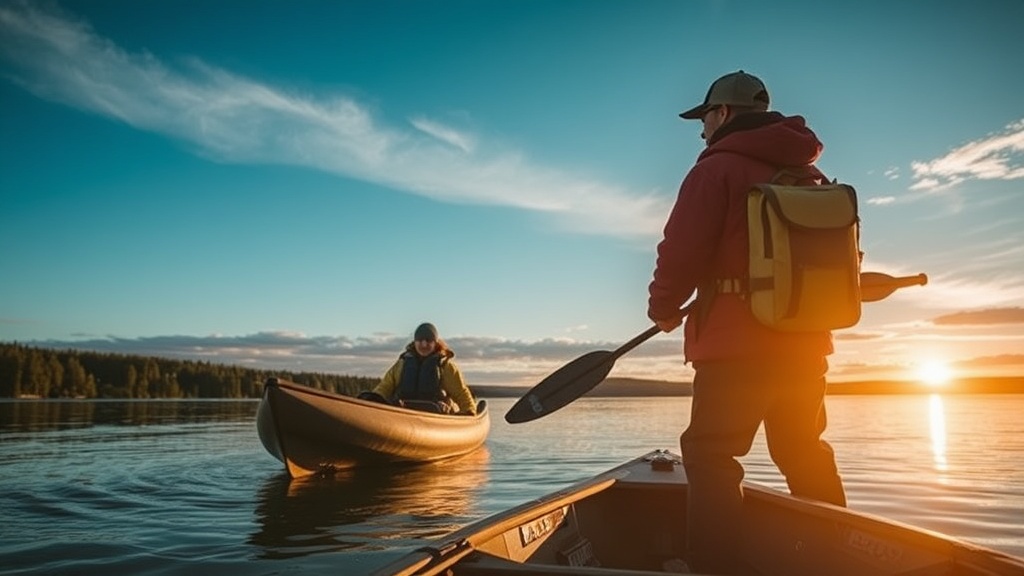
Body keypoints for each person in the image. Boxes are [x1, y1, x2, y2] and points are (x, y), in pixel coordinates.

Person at [647, 70, 847, 574]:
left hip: (736, 349)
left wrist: (663, 307)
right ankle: (838, 558)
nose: (702, 130)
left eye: (706, 117)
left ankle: (712, 566)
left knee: (710, 455)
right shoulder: (811, 175)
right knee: (803, 450)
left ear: (725, 114)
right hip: (805, 345)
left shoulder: (715, 171)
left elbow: (681, 251)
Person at [366, 322, 478, 415]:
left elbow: (461, 393)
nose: (424, 345)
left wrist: (470, 411)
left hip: (436, 417)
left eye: (428, 341)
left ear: (435, 343)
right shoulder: (402, 364)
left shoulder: (445, 366)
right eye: (420, 340)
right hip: (404, 413)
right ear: (415, 342)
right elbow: (384, 387)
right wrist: (372, 401)